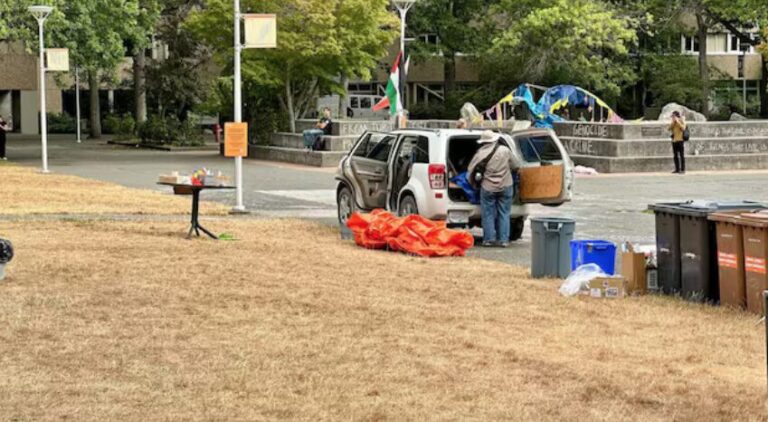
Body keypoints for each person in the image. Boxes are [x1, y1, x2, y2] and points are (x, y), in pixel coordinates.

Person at [468, 130, 517, 247]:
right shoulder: (505, 150)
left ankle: (488, 240)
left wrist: (473, 184)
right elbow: (516, 165)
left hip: (488, 187)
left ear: (483, 142)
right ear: (494, 139)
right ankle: (504, 240)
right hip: (506, 185)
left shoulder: (480, 154)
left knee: (488, 214)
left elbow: (470, 171)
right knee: (504, 213)